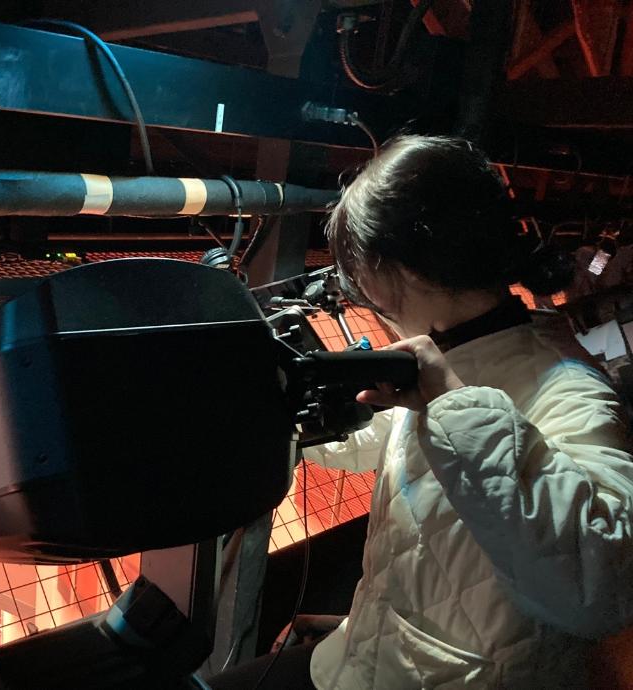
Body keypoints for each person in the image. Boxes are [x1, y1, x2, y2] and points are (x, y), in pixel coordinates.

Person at [207, 135, 633, 689]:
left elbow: (599, 591)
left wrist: (452, 403)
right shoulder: (461, 354)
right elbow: (391, 437)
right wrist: (298, 416)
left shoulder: (569, 387)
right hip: (376, 651)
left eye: (363, 274)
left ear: (401, 271)